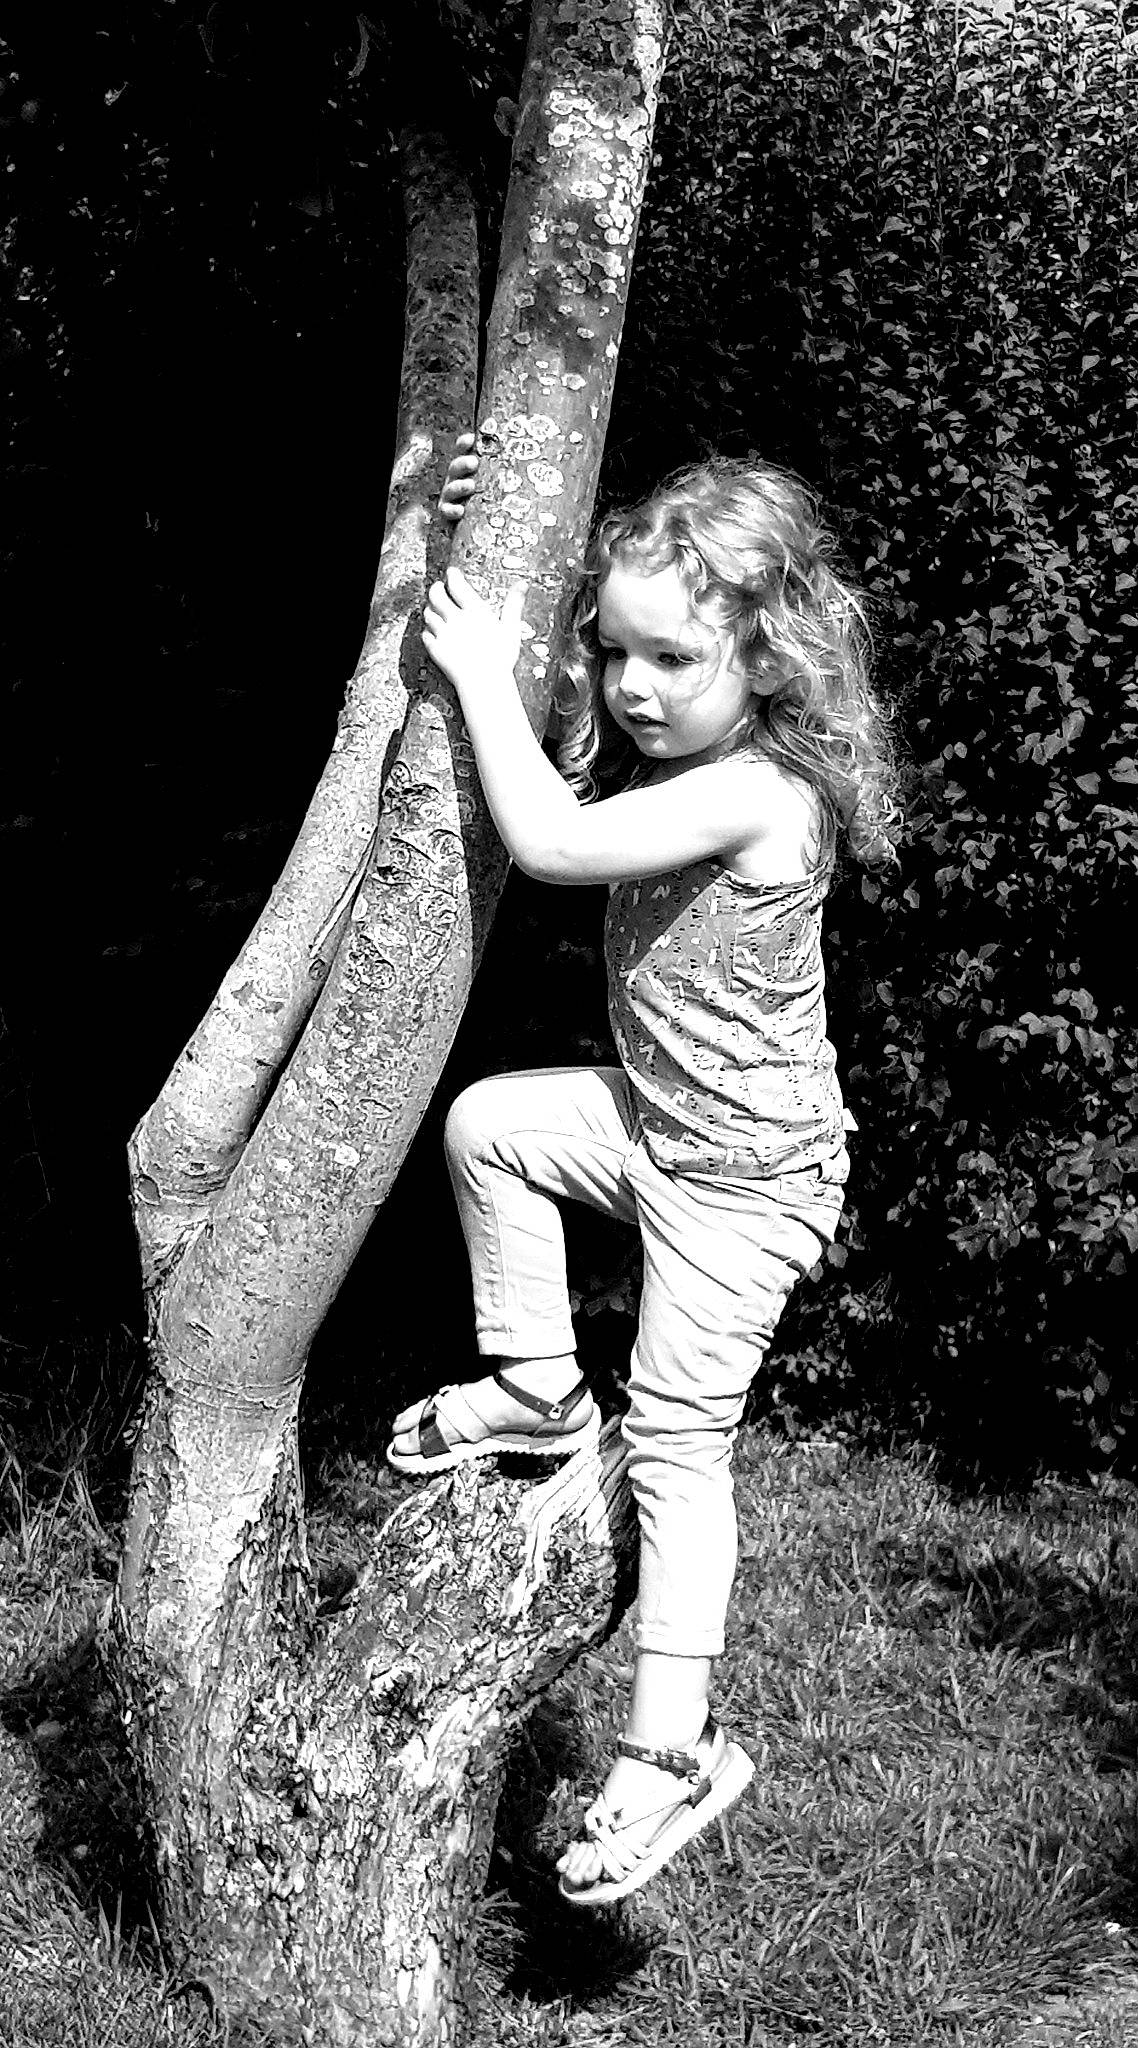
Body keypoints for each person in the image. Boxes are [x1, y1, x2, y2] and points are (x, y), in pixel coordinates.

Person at [387, 433, 901, 1907]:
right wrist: (485, 537)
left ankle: (674, 1751)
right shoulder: (675, 748)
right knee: (493, 1125)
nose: (628, 687)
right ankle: (536, 1393)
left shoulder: (758, 795)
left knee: (677, 1442)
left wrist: (485, 672)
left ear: (770, 654)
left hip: (746, 1184)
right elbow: (559, 733)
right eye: (613, 651)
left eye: (669, 658)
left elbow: (546, 838)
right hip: (662, 1125)